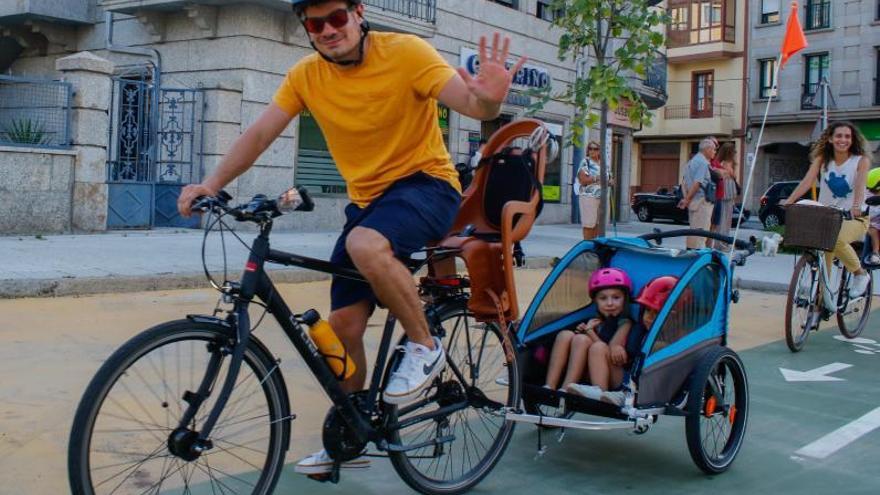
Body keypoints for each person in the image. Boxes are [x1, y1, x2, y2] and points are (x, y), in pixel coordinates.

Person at [176, 0, 527, 475]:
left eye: (336, 17)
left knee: (366, 245)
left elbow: (469, 102)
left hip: (427, 185)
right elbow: (260, 133)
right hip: (367, 204)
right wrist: (211, 184)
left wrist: (490, 101)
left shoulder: (407, 52)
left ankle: (425, 345)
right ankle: (352, 430)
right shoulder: (306, 76)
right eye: (314, 23)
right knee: (342, 334)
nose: (327, 30)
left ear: (359, 12)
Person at [784, 121, 872, 296]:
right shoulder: (822, 160)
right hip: (827, 217)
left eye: (847, 136)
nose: (843, 140)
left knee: (835, 239)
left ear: (853, 140)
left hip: (854, 218)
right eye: (839, 136)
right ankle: (821, 302)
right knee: (824, 260)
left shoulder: (861, 161)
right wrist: (789, 201)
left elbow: (861, 187)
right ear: (830, 139)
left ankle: (859, 273)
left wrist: (856, 206)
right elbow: (807, 182)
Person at [550, 268, 633, 406]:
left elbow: (610, 349)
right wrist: (582, 333)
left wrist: (590, 332)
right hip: (590, 372)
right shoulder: (596, 321)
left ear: (625, 299)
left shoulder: (625, 323)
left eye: (616, 297)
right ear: (595, 301)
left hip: (617, 378)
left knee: (597, 346)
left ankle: (600, 391)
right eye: (603, 298)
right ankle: (552, 387)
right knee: (567, 335)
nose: (610, 303)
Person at [678, 137, 717, 249]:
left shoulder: (691, 162)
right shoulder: (703, 163)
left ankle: (690, 253)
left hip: (693, 202)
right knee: (701, 233)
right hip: (702, 202)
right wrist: (687, 199)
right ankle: (698, 258)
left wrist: (686, 199)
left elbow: (684, 183)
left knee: (693, 231)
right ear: (708, 149)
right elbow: (697, 183)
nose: (714, 152)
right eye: (714, 149)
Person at [576, 140, 612, 240]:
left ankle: (594, 246)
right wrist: (597, 178)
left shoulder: (604, 164)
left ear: (600, 151)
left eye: (595, 149)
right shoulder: (585, 162)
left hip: (603, 197)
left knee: (600, 224)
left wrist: (610, 181)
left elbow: (610, 179)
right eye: (590, 148)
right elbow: (583, 181)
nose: (592, 151)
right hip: (589, 197)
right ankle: (587, 246)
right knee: (589, 224)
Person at [710, 142, 740, 248]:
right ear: (730, 152)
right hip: (726, 192)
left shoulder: (720, 162)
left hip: (727, 191)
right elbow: (732, 175)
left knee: (725, 219)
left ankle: (722, 242)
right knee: (724, 219)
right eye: (734, 151)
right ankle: (721, 243)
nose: (735, 153)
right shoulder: (726, 163)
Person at [863, 167, 880, 265]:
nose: (872, 192)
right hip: (872, 221)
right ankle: (875, 253)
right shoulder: (867, 193)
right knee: (872, 229)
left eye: (875, 191)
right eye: (871, 190)